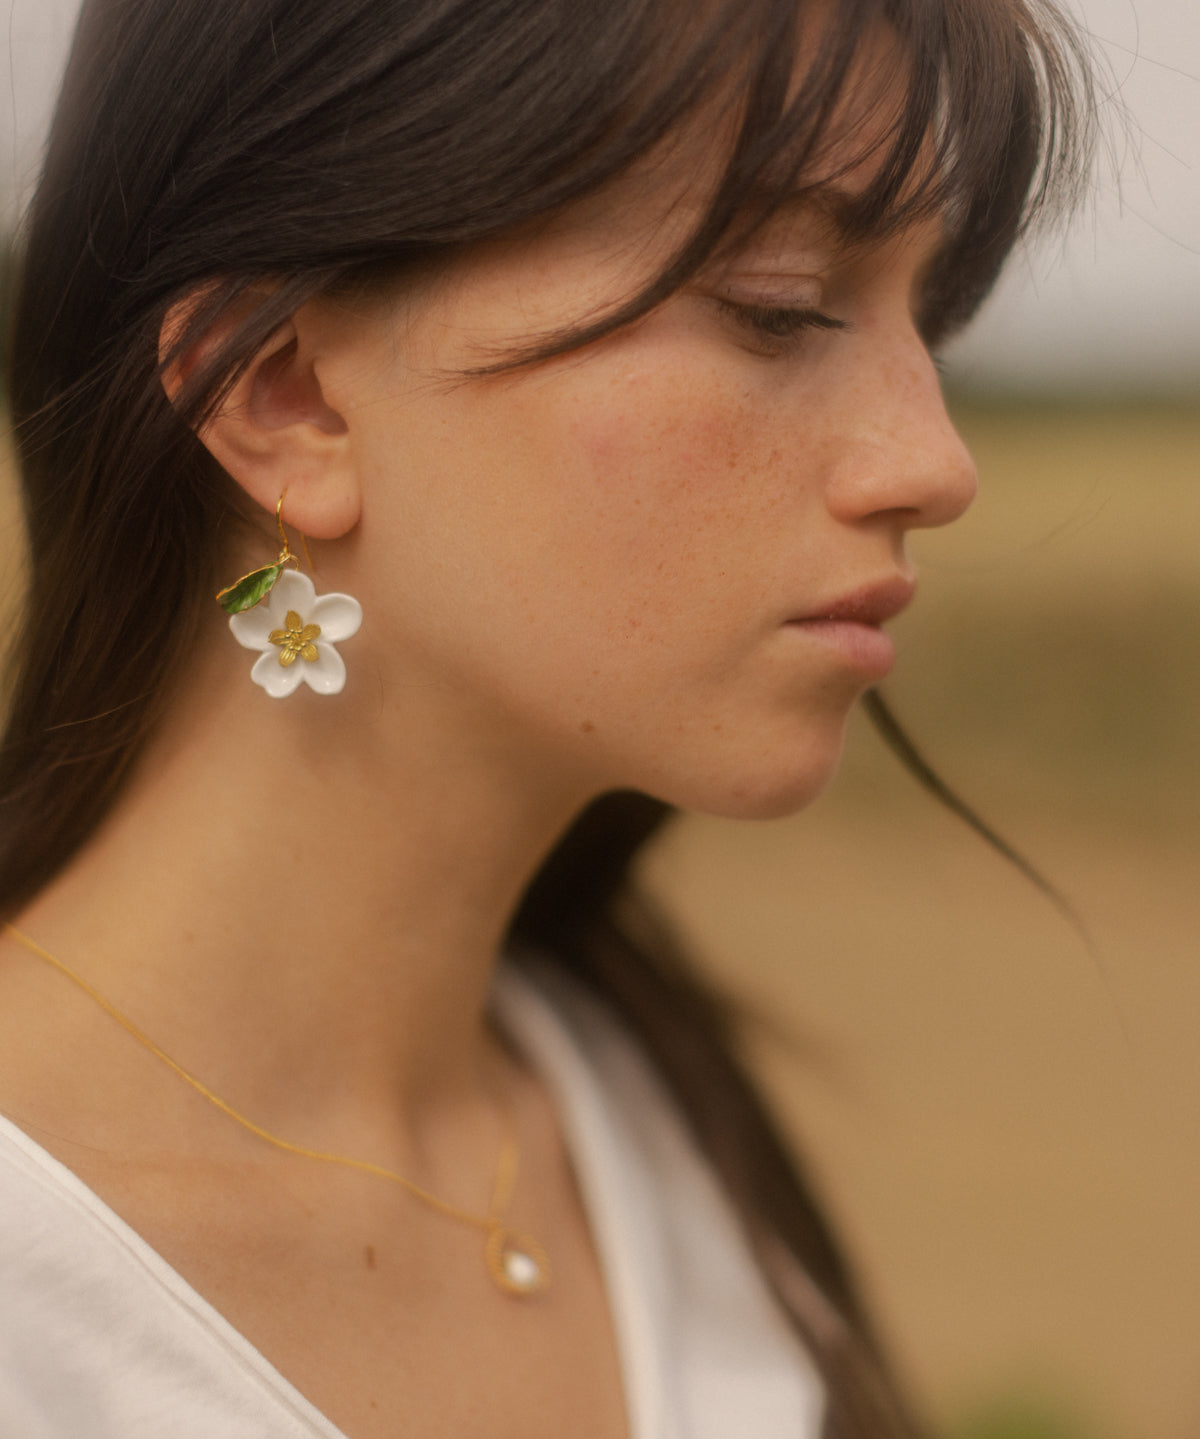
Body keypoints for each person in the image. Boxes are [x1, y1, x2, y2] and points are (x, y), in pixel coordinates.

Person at [0, 0, 1094, 1435]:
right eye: (780, 304)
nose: (934, 462)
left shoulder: (645, 1120)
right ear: (284, 394)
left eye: (928, 322)